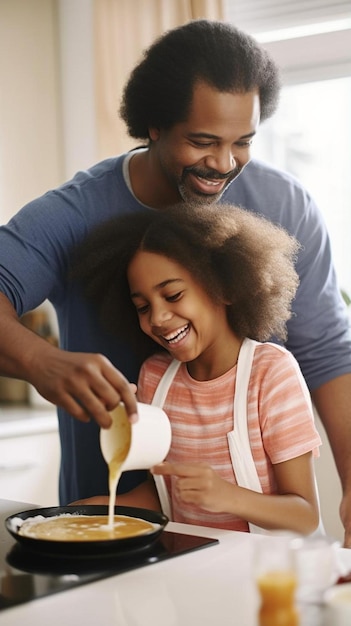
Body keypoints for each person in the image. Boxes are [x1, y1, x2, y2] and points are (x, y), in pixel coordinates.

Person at [0, 20, 350, 539]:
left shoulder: (285, 206)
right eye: (203, 141)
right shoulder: (73, 214)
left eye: (243, 141)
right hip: (111, 533)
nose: (224, 163)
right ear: (154, 126)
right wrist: (39, 362)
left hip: (259, 558)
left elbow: (327, 351)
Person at [71, 202, 322, 534]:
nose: (157, 318)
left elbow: (305, 517)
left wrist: (227, 496)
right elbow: (166, 494)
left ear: (226, 288)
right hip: (195, 569)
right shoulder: (155, 376)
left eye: (173, 295)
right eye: (143, 307)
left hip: (268, 575)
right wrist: (96, 509)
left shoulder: (271, 373)